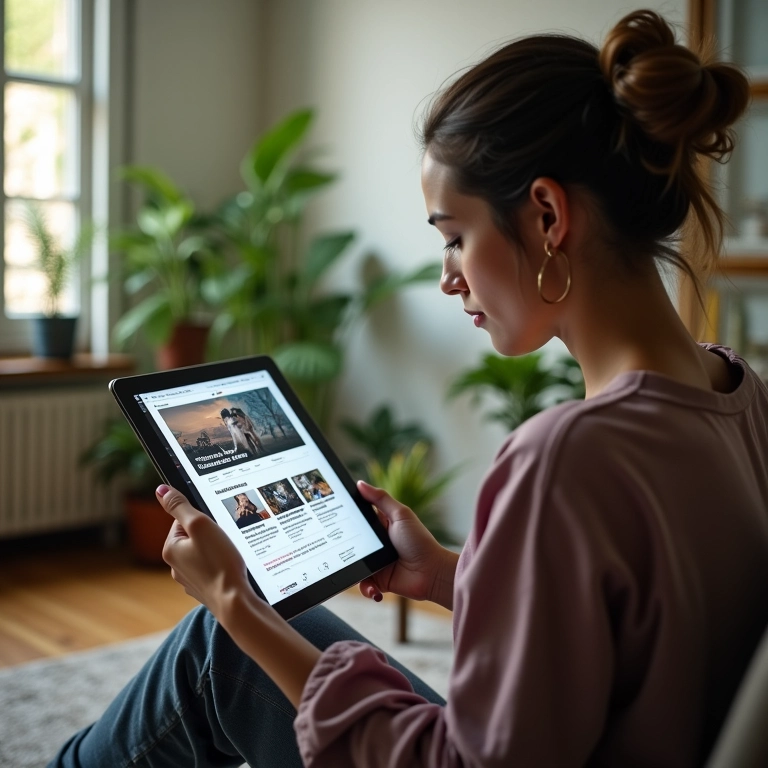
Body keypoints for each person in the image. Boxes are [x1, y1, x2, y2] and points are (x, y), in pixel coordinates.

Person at [49, 9, 768, 767]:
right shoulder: (742, 396)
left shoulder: (567, 458)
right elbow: (647, 630)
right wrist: (447, 575)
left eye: (454, 235)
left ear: (549, 214)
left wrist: (235, 604)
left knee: (218, 649)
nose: (448, 275)